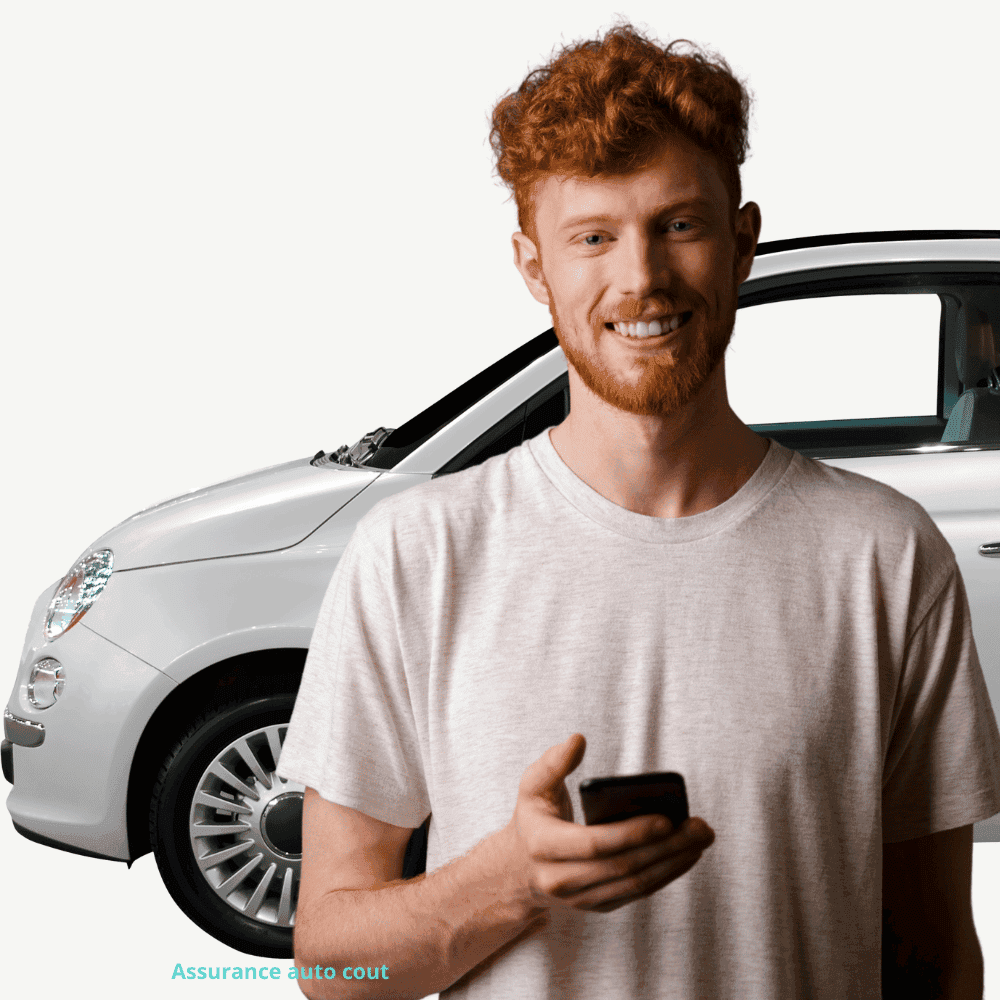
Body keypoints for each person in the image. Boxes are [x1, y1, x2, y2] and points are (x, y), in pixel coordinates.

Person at [277, 21, 1000, 999]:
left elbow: (935, 957)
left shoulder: (884, 555)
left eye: (678, 224)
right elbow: (331, 962)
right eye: (593, 238)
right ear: (535, 268)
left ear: (741, 243)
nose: (641, 278)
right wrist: (508, 880)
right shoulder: (417, 551)